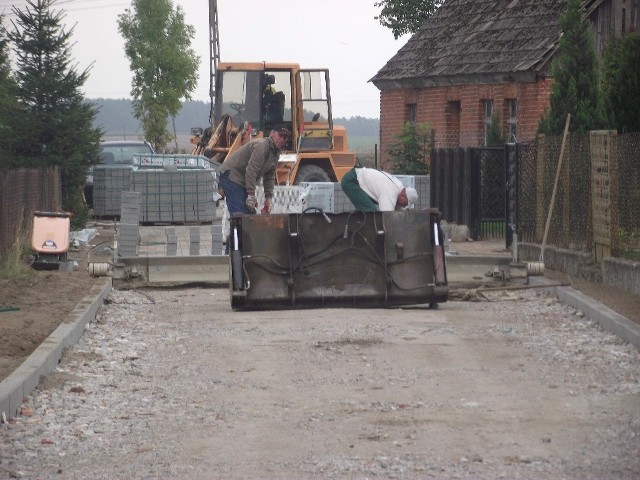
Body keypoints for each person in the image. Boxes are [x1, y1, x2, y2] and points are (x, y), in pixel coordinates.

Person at [219, 123, 292, 215]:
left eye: (285, 138)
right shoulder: (262, 146)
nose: (282, 139)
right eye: (280, 135)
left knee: (250, 214)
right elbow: (251, 171)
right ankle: (236, 228)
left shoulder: (275, 153)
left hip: (242, 180)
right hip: (232, 176)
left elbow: (269, 177)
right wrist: (251, 195)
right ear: (272, 133)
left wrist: (268, 198)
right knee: (239, 214)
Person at [341, 166, 418, 212]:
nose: (404, 206)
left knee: (366, 210)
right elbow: (386, 216)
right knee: (371, 211)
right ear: (403, 196)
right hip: (352, 181)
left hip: (357, 178)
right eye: (406, 203)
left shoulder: (399, 187)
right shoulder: (390, 193)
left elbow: (397, 210)